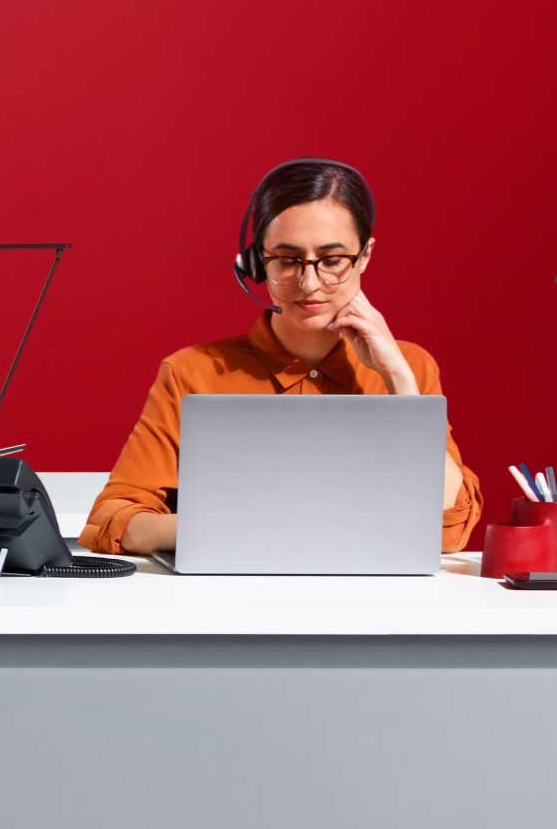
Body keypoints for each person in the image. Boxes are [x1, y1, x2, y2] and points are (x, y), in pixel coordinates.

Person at [80, 158, 482, 555]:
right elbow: (113, 521)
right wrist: (242, 529)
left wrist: (400, 382)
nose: (309, 283)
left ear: (364, 256)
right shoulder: (191, 372)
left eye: (332, 261)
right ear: (256, 262)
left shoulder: (410, 367)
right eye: (287, 261)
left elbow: (449, 528)